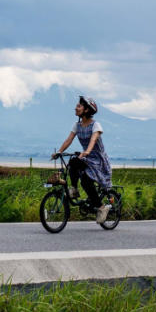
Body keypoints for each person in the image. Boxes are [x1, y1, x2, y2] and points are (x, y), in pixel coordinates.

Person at [52, 95, 113, 223]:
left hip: (98, 160)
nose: (76, 108)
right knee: (73, 161)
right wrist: (59, 152)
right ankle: (74, 189)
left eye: (79, 106)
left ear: (86, 110)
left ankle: (102, 208)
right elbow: (69, 139)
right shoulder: (77, 125)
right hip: (86, 157)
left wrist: (87, 151)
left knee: (85, 181)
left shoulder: (96, 125)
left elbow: (93, 139)